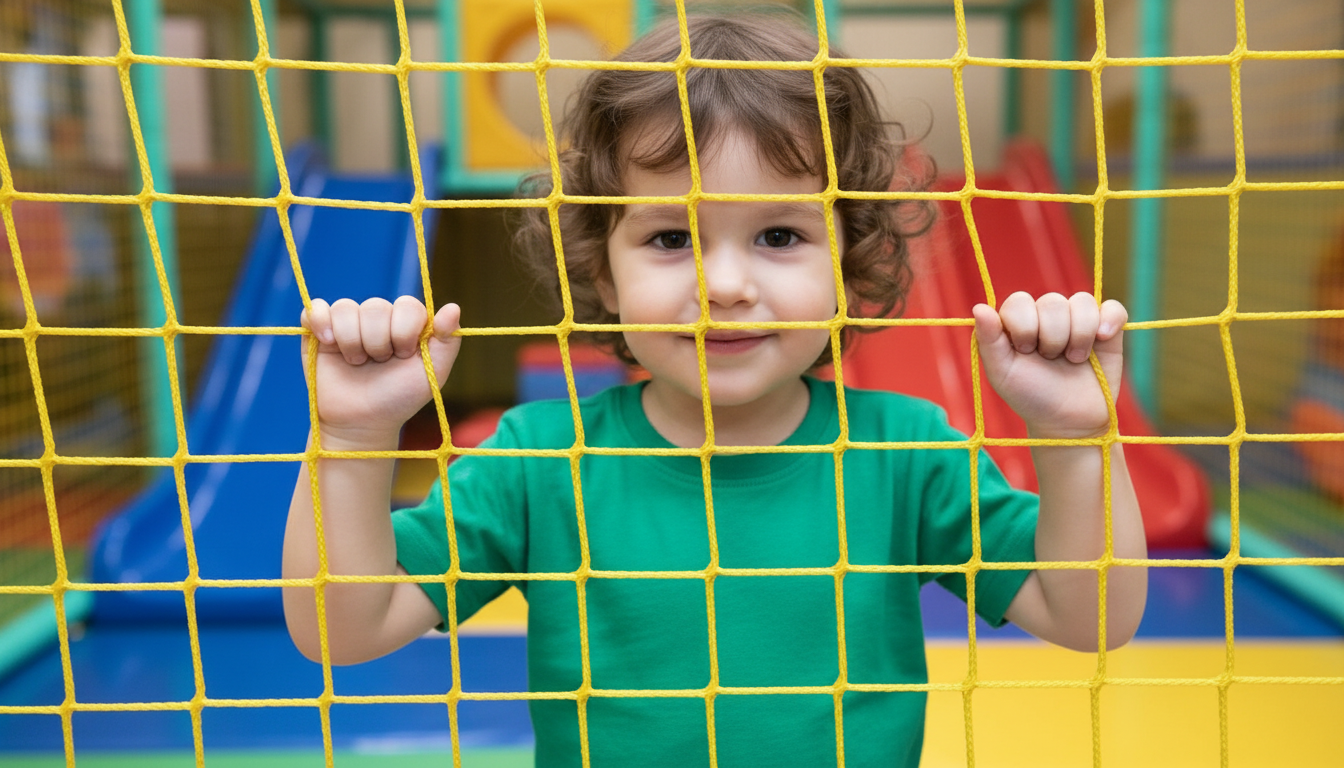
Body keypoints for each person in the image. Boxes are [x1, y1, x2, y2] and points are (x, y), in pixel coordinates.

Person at [282, 13, 1147, 768]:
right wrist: (354, 441)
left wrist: (1077, 439)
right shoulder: (540, 461)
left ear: (845, 265)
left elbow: (1090, 614)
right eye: (668, 238)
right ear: (604, 272)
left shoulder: (904, 451)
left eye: (778, 233)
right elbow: (343, 631)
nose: (724, 283)